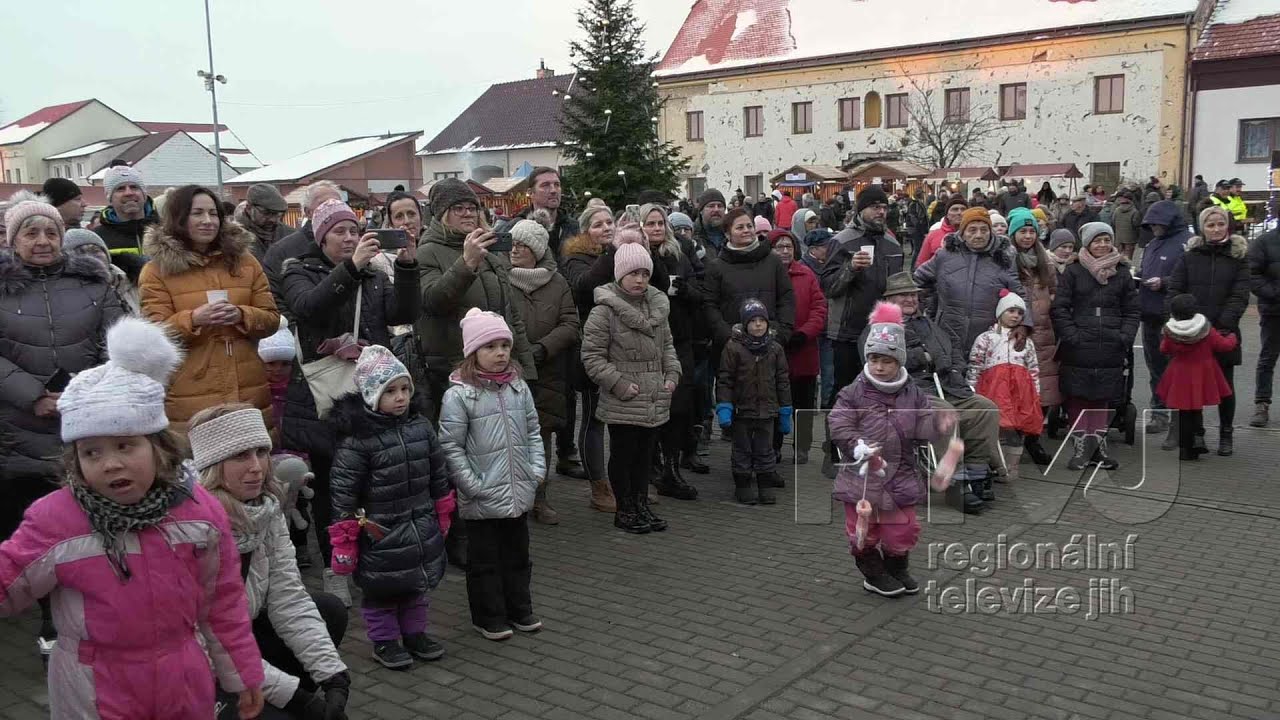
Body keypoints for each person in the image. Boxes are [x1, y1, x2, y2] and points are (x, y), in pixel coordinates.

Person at [0, 317, 265, 720]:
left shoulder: (199, 512)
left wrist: (242, 674)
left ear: (158, 447)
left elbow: (222, 602)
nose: (110, 463)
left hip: (183, 681)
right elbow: (9, 581)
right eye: (91, 452)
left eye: (125, 446)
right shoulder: (55, 519)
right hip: (93, 690)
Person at [0, 196, 128, 657]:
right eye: (31, 233)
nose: (42, 241)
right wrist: (33, 395)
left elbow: (119, 341)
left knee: (91, 524)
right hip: (17, 428)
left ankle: (93, 617)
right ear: (13, 240)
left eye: (50, 232)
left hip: (86, 423)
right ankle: (48, 619)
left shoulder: (93, 283)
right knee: (35, 528)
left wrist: (84, 390)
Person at [187, 404, 350, 717]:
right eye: (240, 455)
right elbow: (208, 643)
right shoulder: (189, 529)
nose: (257, 467)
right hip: (200, 663)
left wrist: (332, 674)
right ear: (212, 464)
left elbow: (288, 597)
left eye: (261, 452)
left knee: (328, 609)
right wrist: (297, 699)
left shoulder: (265, 509)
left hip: (242, 635)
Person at [327, 346, 453, 668]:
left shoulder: (421, 427)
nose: (401, 397)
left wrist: (442, 508)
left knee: (415, 584)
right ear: (372, 395)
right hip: (379, 530)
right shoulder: (357, 440)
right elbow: (343, 493)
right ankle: (384, 641)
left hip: (419, 521)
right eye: (390, 391)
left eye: (405, 389)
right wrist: (345, 539)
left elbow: (438, 471)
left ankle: (415, 634)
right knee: (382, 590)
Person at [831, 302, 953, 597]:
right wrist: (856, 445)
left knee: (903, 528)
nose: (879, 367)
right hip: (862, 478)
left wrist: (937, 425)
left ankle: (897, 566)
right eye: (874, 359)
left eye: (887, 361)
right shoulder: (854, 391)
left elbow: (922, 427)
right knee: (864, 530)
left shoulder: (913, 392)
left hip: (901, 474)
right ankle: (873, 573)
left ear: (899, 361)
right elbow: (838, 421)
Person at [438, 310, 544, 640]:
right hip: (482, 495)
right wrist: (472, 485)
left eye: (504, 346)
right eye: (490, 347)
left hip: (517, 490)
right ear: (473, 351)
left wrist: (536, 471)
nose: (500, 353)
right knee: (485, 561)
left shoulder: (518, 388)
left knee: (518, 555)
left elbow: (533, 432)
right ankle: (489, 616)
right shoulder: (459, 395)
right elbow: (451, 446)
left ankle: (520, 608)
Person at [139, 185, 281, 432]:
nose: (208, 221)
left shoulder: (246, 262)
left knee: (250, 453)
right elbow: (154, 333)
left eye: (213, 213)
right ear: (179, 218)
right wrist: (193, 319)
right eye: (198, 213)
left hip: (247, 384)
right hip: (190, 390)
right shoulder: (157, 271)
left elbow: (271, 319)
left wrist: (242, 315)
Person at [865, 273, 1002, 514]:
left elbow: (953, 350)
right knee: (944, 414)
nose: (910, 299)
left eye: (913, 294)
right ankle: (954, 483)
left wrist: (955, 368)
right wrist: (922, 357)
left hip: (948, 386)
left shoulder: (928, 324)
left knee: (985, 408)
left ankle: (976, 474)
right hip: (909, 392)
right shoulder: (879, 329)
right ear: (889, 300)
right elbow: (877, 363)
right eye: (903, 295)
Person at [417, 178, 537, 423]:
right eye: (458, 208)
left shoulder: (488, 253)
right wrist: (467, 263)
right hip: (456, 371)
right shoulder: (427, 251)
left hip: (499, 368)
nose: (468, 214)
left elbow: (511, 316)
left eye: (472, 208)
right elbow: (433, 302)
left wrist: (527, 369)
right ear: (442, 213)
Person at [581, 244, 681, 534]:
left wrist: (672, 374)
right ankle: (624, 508)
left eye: (644, 273)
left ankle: (640, 504)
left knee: (645, 456)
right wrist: (620, 384)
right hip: (625, 397)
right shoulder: (604, 312)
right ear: (620, 274)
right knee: (624, 455)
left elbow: (667, 346)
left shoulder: (657, 305)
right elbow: (592, 357)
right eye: (633, 273)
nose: (639, 279)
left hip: (654, 395)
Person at [819, 185, 904, 475]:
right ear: (861, 209)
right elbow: (828, 287)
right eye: (875, 207)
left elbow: (899, 286)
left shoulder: (892, 244)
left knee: (877, 396)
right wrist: (850, 268)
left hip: (881, 332)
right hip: (847, 330)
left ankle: (870, 452)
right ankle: (834, 451)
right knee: (844, 394)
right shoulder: (843, 241)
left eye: (884, 207)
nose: (881, 212)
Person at [507, 219, 581, 523]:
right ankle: (511, 499)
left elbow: (570, 323)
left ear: (537, 251)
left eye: (522, 246)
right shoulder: (499, 277)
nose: (514, 250)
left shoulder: (557, 282)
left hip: (547, 372)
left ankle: (539, 498)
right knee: (508, 437)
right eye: (512, 244)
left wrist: (543, 348)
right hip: (508, 369)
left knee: (541, 437)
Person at [1051, 222, 1139, 471]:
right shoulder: (1073, 271)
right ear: (1087, 244)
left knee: (1102, 397)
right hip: (1079, 345)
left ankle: (1098, 448)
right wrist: (1071, 335)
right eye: (1097, 240)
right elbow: (1060, 308)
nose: (1102, 245)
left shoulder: (1122, 273)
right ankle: (1081, 448)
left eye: (1106, 240)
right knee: (1078, 396)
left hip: (1111, 345)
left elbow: (1132, 310)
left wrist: (1124, 336)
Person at [1166, 206, 1250, 456]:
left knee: (1226, 386)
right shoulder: (1189, 256)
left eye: (1220, 224)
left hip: (1223, 330)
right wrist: (1184, 321)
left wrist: (1223, 323)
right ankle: (1197, 433)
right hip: (1192, 332)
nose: (1216, 229)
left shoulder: (1238, 257)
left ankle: (1226, 433)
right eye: (1210, 225)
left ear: (1228, 226)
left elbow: (1240, 294)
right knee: (1194, 386)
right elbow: (1175, 289)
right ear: (1202, 228)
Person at [559, 205, 622, 510]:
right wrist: (611, 253)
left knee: (622, 418)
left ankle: (624, 480)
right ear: (586, 230)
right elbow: (585, 287)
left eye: (610, 222)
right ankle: (598, 486)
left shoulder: (622, 252)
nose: (606, 227)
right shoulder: (575, 258)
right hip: (592, 347)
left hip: (622, 346)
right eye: (598, 224)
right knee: (594, 417)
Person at [914, 207, 1028, 370]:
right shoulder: (944, 255)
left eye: (984, 230)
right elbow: (918, 280)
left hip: (988, 338)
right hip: (947, 333)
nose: (979, 235)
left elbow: (1019, 295)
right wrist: (930, 308)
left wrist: (1023, 324)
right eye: (972, 230)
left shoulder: (1003, 258)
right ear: (962, 232)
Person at [641, 204, 703, 500]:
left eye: (660, 223)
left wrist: (685, 291)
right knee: (652, 406)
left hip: (680, 339)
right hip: (648, 340)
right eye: (650, 223)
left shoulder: (679, 253)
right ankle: (651, 466)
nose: (656, 228)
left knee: (679, 407)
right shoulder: (635, 255)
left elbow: (699, 292)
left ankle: (671, 468)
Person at [717, 298, 792, 504]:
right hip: (742, 410)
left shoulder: (775, 349)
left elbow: (783, 381)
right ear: (745, 324)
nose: (758, 325)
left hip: (767, 411)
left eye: (762, 320)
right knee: (742, 450)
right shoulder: (733, 348)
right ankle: (742, 486)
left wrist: (785, 409)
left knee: (765, 450)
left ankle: (765, 485)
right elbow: (725, 380)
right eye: (752, 321)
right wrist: (724, 406)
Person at [967, 291, 1042, 481]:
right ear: (1000, 312)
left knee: (1016, 429)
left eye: (1020, 312)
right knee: (995, 427)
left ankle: (1012, 467)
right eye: (1011, 311)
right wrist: (971, 389)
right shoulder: (986, 338)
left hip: (1020, 392)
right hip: (993, 390)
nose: (1015, 316)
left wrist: (1036, 392)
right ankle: (996, 465)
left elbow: (1033, 368)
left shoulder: (1026, 342)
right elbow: (975, 365)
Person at [704, 207, 795, 357]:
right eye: (740, 227)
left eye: (749, 226)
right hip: (731, 349)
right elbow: (710, 305)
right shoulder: (716, 267)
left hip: (771, 345)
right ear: (727, 234)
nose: (746, 230)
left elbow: (786, 298)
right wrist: (728, 337)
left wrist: (782, 334)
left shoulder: (773, 261)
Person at [1156, 294, 1238, 461]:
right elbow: (1223, 346)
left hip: (1179, 373)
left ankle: (1185, 449)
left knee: (1183, 411)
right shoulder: (1205, 329)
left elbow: (1164, 349)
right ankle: (1198, 438)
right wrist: (1232, 337)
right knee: (1196, 408)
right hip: (1202, 372)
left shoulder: (1170, 331)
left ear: (1173, 313)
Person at [770, 230, 826, 466]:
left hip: (804, 350)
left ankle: (802, 447)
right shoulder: (766, 275)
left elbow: (819, 308)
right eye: (779, 247)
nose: (785, 251)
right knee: (774, 403)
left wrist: (804, 333)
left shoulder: (806, 274)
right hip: (774, 349)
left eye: (789, 247)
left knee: (803, 404)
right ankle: (773, 446)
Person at [1008, 208, 1058, 464]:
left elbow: (1055, 292)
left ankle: (1033, 438)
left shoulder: (1045, 262)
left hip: (1043, 332)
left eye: (1031, 231)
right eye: (1022, 231)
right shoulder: (1007, 259)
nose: (1027, 236)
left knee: (1044, 390)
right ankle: (1015, 438)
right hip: (1016, 332)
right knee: (1016, 389)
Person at [1137, 200, 1190, 441]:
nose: (1153, 227)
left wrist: (1164, 282)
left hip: (1173, 316)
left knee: (1176, 369)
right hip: (1149, 314)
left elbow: (1188, 277)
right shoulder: (1152, 244)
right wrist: (1138, 276)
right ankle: (1159, 412)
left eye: (1157, 223)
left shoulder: (1186, 243)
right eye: (1150, 224)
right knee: (1155, 367)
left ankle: (1178, 418)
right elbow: (1146, 269)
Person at [263, 180, 343, 310]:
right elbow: (273, 297)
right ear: (308, 212)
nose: (332, 210)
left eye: (337, 204)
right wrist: (293, 323)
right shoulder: (282, 250)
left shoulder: (351, 246)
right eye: (324, 204)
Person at [93, 165, 158, 285]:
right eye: (120, 189)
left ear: (144, 194)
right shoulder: (97, 238)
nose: (129, 193)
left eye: (134, 187)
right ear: (110, 198)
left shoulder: (168, 229)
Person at [63, 228, 140, 313]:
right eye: (82, 253)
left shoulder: (134, 280)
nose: (92, 257)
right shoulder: (70, 294)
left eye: (95, 250)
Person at [1249, 225, 1280, 428]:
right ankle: (1261, 403)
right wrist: (1274, 293)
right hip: (1274, 311)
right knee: (1267, 359)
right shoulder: (1264, 241)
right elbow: (1252, 274)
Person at [235, 183, 293, 261]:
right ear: (249, 208)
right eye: (266, 213)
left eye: (277, 214)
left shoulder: (289, 234)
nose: (273, 219)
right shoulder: (233, 238)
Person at [914, 196, 966, 268]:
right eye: (955, 209)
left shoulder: (973, 235)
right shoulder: (933, 235)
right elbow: (921, 263)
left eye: (963, 209)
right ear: (947, 214)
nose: (960, 212)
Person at [1100, 189, 1142, 260]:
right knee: (1128, 256)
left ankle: (1118, 266)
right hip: (1130, 237)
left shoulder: (1117, 210)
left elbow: (1113, 222)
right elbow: (1136, 224)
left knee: (1117, 255)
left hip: (1119, 237)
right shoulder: (1134, 211)